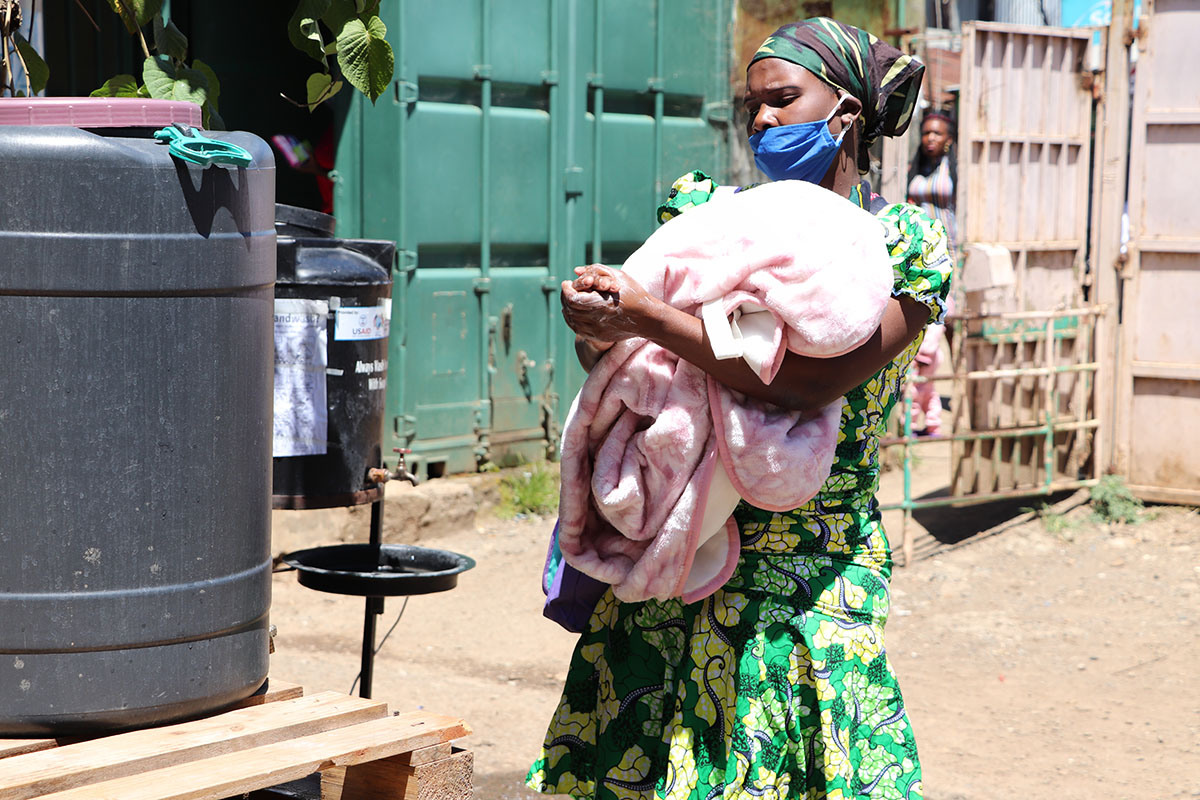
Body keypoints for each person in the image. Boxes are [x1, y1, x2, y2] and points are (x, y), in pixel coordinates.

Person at [528, 17, 951, 800]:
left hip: (814, 580)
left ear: (848, 111)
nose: (761, 120)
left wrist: (650, 316)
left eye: (783, 100)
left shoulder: (905, 245)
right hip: (682, 560)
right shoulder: (712, 220)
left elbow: (805, 385)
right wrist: (602, 328)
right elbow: (644, 371)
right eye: (751, 104)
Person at [905, 108, 958, 436]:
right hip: (924, 253)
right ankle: (922, 400)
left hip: (952, 251)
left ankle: (960, 388)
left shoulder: (954, 169)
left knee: (953, 323)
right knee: (927, 324)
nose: (930, 139)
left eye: (937, 134)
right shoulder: (916, 167)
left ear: (948, 140)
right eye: (926, 133)